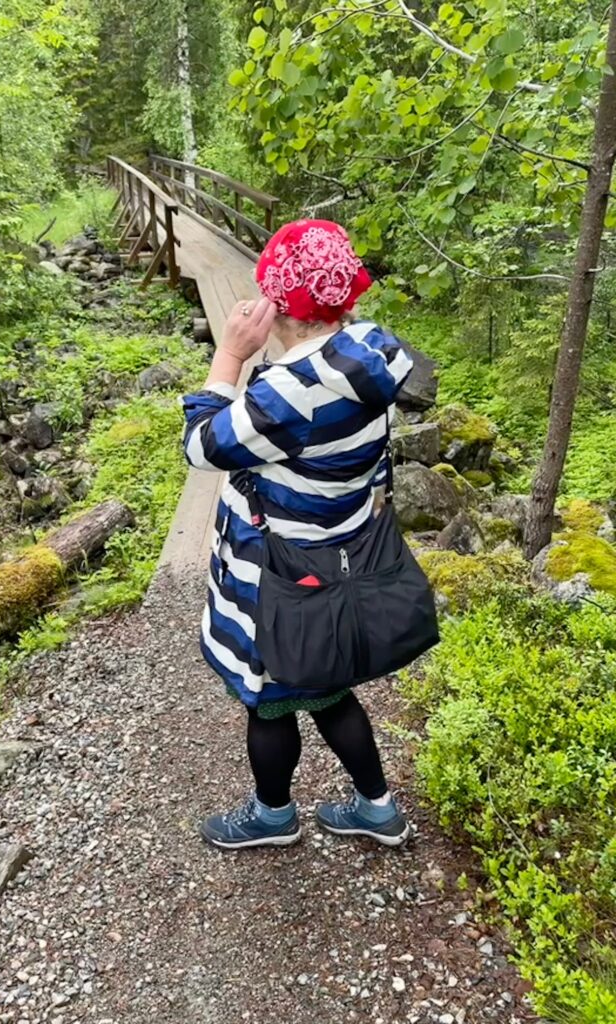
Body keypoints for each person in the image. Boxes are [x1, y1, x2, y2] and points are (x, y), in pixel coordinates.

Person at [181, 219, 414, 851]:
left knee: (270, 697)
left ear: (277, 303)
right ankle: (378, 808)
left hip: (279, 573)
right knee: (328, 688)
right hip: (336, 548)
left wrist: (229, 356)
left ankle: (273, 817)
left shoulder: (289, 396)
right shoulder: (371, 350)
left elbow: (202, 446)